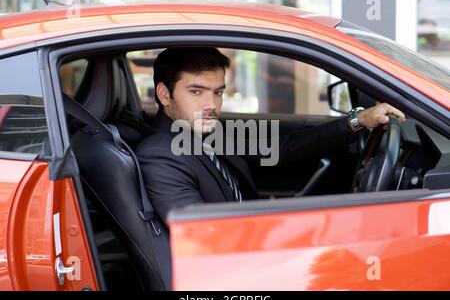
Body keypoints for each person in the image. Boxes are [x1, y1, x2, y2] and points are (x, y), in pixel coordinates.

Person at [135, 47, 405, 225]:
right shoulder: (160, 157)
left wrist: (357, 121)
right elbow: (201, 239)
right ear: (164, 94)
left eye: (217, 92)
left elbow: (281, 149)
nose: (212, 104)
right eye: (196, 91)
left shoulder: (203, 131)